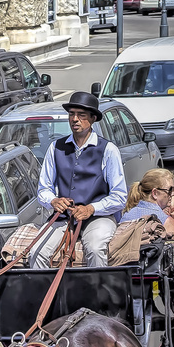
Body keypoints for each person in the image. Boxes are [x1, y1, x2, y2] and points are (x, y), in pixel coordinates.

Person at [33, 91, 127, 268]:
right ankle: (45, 295)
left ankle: (97, 294)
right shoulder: (56, 148)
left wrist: (92, 208)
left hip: (99, 217)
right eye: (71, 114)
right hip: (63, 217)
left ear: (92, 119)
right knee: (37, 252)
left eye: (81, 115)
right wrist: (53, 201)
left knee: (95, 248)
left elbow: (120, 197)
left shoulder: (108, 149)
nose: (74, 119)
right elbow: (43, 189)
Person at [122, 168, 174, 236]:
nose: (172, 194)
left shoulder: (126, 216)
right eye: (170, 190)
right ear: (155, 193)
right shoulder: (166, 221)